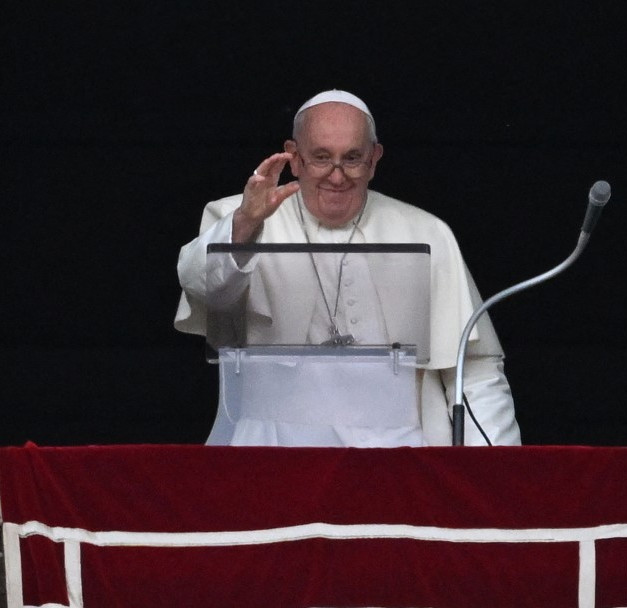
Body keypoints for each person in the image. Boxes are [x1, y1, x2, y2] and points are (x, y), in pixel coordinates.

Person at [175, 90, 521, 447]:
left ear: (374, 159)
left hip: (398, 449)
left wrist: (494, 473)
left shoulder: (427, 231)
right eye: (321, 158)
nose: (337, 177)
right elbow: (202, 284)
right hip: (272, 444)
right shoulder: (239, 217)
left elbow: (475, 370)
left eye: (352, 158)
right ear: (294, 158)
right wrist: (246, 223)